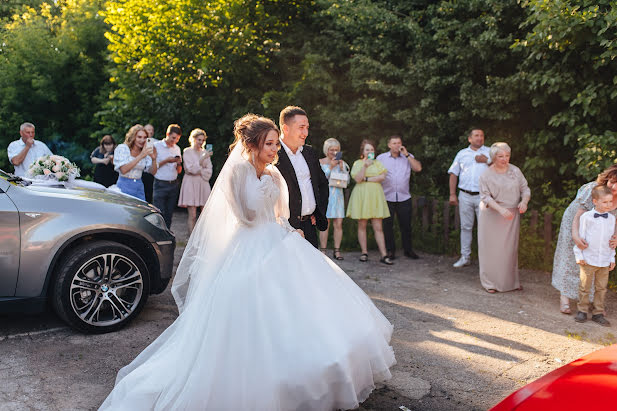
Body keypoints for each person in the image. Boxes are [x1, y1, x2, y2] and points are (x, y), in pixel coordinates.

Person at [99, 114, 396, 410]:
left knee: (306, 306)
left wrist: (291, 230)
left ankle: (309, 371)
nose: (274, 150)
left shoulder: (275, 173)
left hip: (280, 240)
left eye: (276, 144)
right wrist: (262, 188)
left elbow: (281, 215)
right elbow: (244, 217)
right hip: (247, 244)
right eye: (269, 144)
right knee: (249, 313)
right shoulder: (236, 172)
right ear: (252, 144)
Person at [552, 165, 617, 314]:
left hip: (600, 230)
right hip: (576, 223)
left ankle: (593, 302)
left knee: (594, 262)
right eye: (611, 181)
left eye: (616, 182)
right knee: (571, 259)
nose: (612, 186)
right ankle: (565, 298)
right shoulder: (595, 189)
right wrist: (575, 235)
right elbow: (579, 214)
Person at [478, 142, 530, 293]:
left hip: (511, 215)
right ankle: (490, 283)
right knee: (492, 250)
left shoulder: (515, 170)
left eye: (507, 155)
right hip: (492, 215)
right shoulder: (486, 175)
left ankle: (511, 282)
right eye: (500, 156)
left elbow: (525, 188)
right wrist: (500, 210)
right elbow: (485, 197)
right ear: (493, 157)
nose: (504, 159)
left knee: (509, 249)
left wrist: (524, 202)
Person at [275, 106, 329, 248]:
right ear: (285, 129)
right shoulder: (272, 154)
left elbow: (322, 184)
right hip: (283, 229)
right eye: (301, 127)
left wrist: (318, 213)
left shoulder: (309, 152)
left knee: (311, 269)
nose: (305, 133)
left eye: (307, 128)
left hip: (309, 227)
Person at [448, 128, 491, 268]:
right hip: (465, 195)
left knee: (485, 228)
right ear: (469, 139)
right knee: (465, 227)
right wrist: (452, 194)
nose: (479, 138)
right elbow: (454, 173)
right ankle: (465, 257)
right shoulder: (462, 154)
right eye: (476, 135)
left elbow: (502, 168)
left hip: (483, 196)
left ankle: (486, 260)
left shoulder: (490, 152)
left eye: (482, 135)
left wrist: (487, 160)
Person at [573, 185, 614, 327]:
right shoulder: (586, 217)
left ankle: (598, 313)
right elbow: (580, 239)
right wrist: (579, 255)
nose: (608, 205)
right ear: (595, 201)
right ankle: (582, 310)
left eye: (610, 202)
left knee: (601, 288)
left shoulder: (612, 219)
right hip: (588, 259)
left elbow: (611, 241)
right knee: (585, 287)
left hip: (604, 260)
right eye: (605, 202)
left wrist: (612, 258)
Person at [346, 139, 393, 265]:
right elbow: (357, 179)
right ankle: (364, 252)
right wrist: (365, 166)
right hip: (362, 195)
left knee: (378, 227)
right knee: (362, 225)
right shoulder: (358, 163)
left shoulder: (378, 163)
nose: (370, 151)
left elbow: (382, 177)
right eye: (367, 149)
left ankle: (383, 254)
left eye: (372, 149)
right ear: (363, 151)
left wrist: (367, 178)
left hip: (375, 195)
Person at [377, 135, 422, 260]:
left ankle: (408, 250)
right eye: (394, 143)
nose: (397, 145)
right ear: (389, 145)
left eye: (399, 143)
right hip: (386, 196)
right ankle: (390, 251)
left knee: (406, 225)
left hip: (404, 197)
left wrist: (407, 155)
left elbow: (418, 168)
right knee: (388, 226)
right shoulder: (381, 158)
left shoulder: (408, 157)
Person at [178, 128, 213, 235]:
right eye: (199, 139)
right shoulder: (187, 151)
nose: (201, 142)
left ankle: (203, 238)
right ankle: (190, 239)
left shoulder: (205, 152)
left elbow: (209, 171)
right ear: (193, 139)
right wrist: (201, 160)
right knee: (192, 215)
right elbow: (189, 169)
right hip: (191, 184)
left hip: (203, 184)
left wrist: (199, 169)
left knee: (205, 214)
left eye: (203, 140)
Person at [318, 138, 348, 260]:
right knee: (325, 223)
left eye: (336, 150)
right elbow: (320, 179)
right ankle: (323, 250)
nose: (334, 152)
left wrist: (341, 168)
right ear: (327, 150)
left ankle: (337, 250)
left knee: (338, 224)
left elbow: (347, 181)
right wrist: (330, 167)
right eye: (332, 150)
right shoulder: (320, 162)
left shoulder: (342, 163)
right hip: (326, 195)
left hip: (338, 196)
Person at [113, 124, 158, 201]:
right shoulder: (123, 148)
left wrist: (154, 159)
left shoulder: (145, 152)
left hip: (139, 186)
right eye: (139, 137)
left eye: (145, 137)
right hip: (124, 184)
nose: (142, 140)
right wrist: (141, 155)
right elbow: (123, 170)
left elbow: (153, 172)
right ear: (133, 137)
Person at [153, 124, 183, 229]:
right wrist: (167, 160)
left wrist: (179, 163)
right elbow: (152, 168)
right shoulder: (156, 146)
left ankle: (167, 235)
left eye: (177, 139)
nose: (174, 141)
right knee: (159, 213)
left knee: (169, 214)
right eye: (173, 138)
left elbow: (179, 171)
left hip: (173, 184)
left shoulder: (177, 148)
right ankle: (157, 235)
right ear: (167, 134)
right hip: (160, 183)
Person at [142, 124, 158, 203]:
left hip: (150, 172)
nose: (150, 131)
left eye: (152, 130)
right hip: (139, 171)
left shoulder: (157, 143)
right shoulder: (138, 142)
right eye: (148, 129)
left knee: (148, 195)